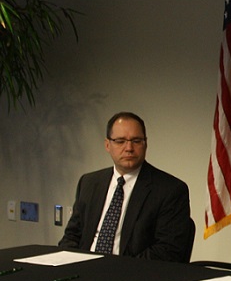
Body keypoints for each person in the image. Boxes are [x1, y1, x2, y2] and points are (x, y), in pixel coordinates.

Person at [59, 111, 193, 262]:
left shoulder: (170, 190)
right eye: (120, 141)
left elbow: (167, 251)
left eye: (136, 141)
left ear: (145, 144)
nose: (129, 148)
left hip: (134, 272)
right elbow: (72, 236)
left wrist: (117, 268)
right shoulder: (89, 183)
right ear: (107, 145)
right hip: (83, 269)